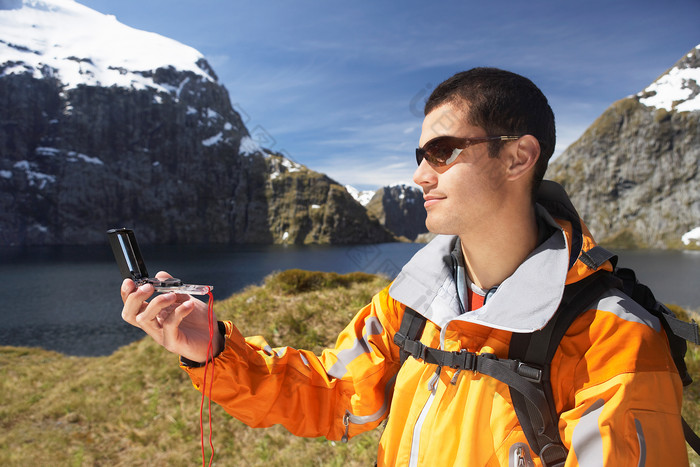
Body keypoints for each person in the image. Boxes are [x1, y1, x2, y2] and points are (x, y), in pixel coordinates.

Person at [120, 67, 688, 466]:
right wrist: (212, 348)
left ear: (518, 156)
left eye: (442, 152)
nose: (421, 175)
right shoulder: (413, 301)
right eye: (420, 156)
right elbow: (332, 395)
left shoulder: (613, 336)